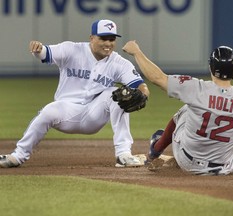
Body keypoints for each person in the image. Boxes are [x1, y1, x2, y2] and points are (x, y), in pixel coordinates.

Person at [122, 41, 233, 175]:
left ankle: (155, 150)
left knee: (186, 111)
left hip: (187, 161)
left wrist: (136, 52)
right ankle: (181, 161)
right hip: (225, 167)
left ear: (211, 67)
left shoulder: (196, 88)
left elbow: (157, 78)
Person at [0, 19, 150, 168]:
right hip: (66, 111)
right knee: (47, 111)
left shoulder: (119, 62)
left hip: (94, 115)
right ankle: (17, 156)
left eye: (111, 39)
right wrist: (38, 49)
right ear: (92, 38)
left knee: (118, 94)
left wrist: (143, 94)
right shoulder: (72, 50)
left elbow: (140, 86)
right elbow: (45, 53)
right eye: (103, 38)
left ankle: (123, 154)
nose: (108, 43)